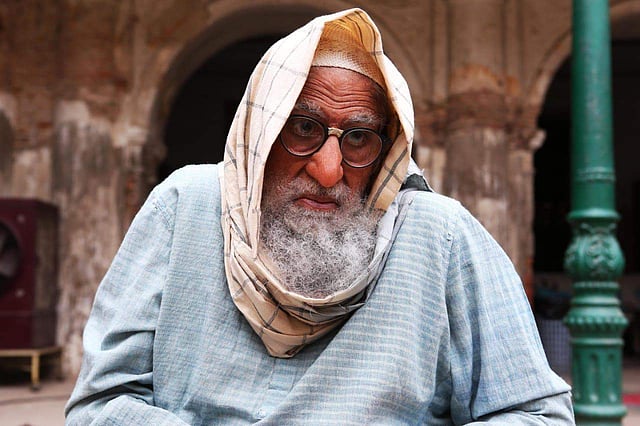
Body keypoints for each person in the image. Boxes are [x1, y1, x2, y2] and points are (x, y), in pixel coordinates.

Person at [65, 8, 574, 425]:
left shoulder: (440, 237)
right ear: (261, 134)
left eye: (358, 138)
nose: (329, 170)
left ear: (384, 152)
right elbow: (100, 405)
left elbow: (537, 415)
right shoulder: (185, 208)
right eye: (304, 128)